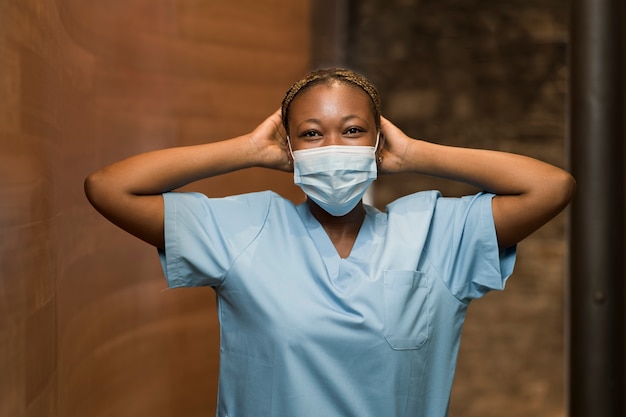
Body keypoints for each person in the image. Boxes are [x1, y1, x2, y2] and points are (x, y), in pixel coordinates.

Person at [84, 68, 575, 417]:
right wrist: (248, 149)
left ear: (378, 142)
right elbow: (109, 188)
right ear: (290, 149)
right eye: (313, 134)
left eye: (354, 131)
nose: (335, 148)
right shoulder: (245, 229)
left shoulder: (435, 232)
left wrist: (416, 154)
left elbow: (551, 187)